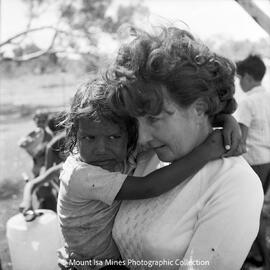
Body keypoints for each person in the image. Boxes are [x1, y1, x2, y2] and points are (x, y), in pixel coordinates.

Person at [107, 27, 264, 270]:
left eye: (154, 119)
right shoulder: (147, 157)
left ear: (199, 107)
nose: (141, 137)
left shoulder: (235, 184)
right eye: (135, 120)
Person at [57, 77, 242, 270]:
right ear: (74, 134)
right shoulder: (82, 175)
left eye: (113, 137)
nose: (101, 148)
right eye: (89, 138)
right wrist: (207, 151)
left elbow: (173, 122)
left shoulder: (125, 148)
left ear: (130, 133)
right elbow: (149, 186)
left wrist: (225, 119)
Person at [234, 55, 270, 269]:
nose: (239, 83)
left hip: (254, 162)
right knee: (256, 212)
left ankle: (264, 260)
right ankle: (258, 256)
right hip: (268, 160)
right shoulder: (267, 97)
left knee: (249, 214)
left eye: (240, 78)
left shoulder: (247, 102)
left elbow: (241, 142)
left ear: (247, 77)